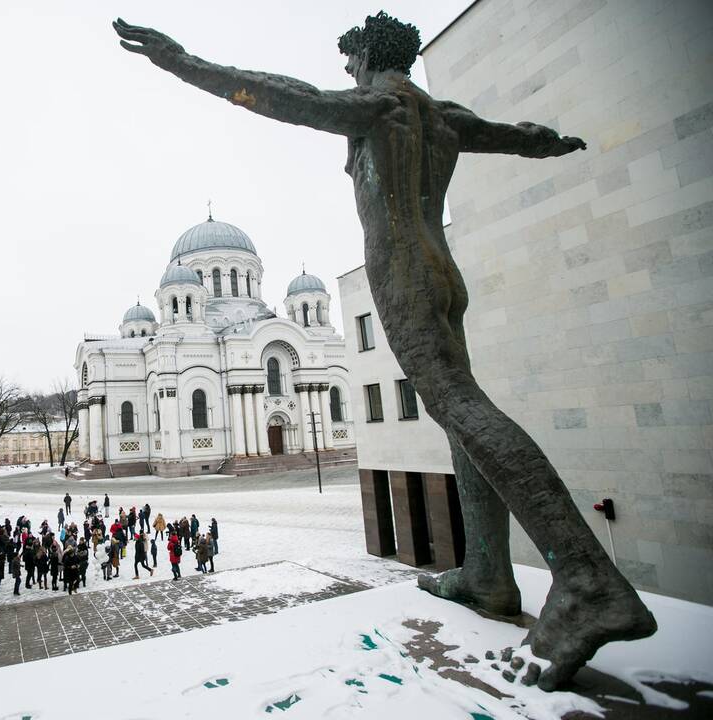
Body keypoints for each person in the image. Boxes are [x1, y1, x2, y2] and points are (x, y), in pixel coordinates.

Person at [112, 14, 653, 690]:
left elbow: (274, 93)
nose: (348, 76)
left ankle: (585, 578)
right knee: (459, 414)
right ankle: (488, 571)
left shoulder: (380, 104)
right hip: (442, 269)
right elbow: (515, 137)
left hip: (402, 272)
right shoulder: (440, 113)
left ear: (366, 55)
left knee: (458, 404)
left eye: (351, 64)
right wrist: (548, 144)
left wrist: (182, 60)